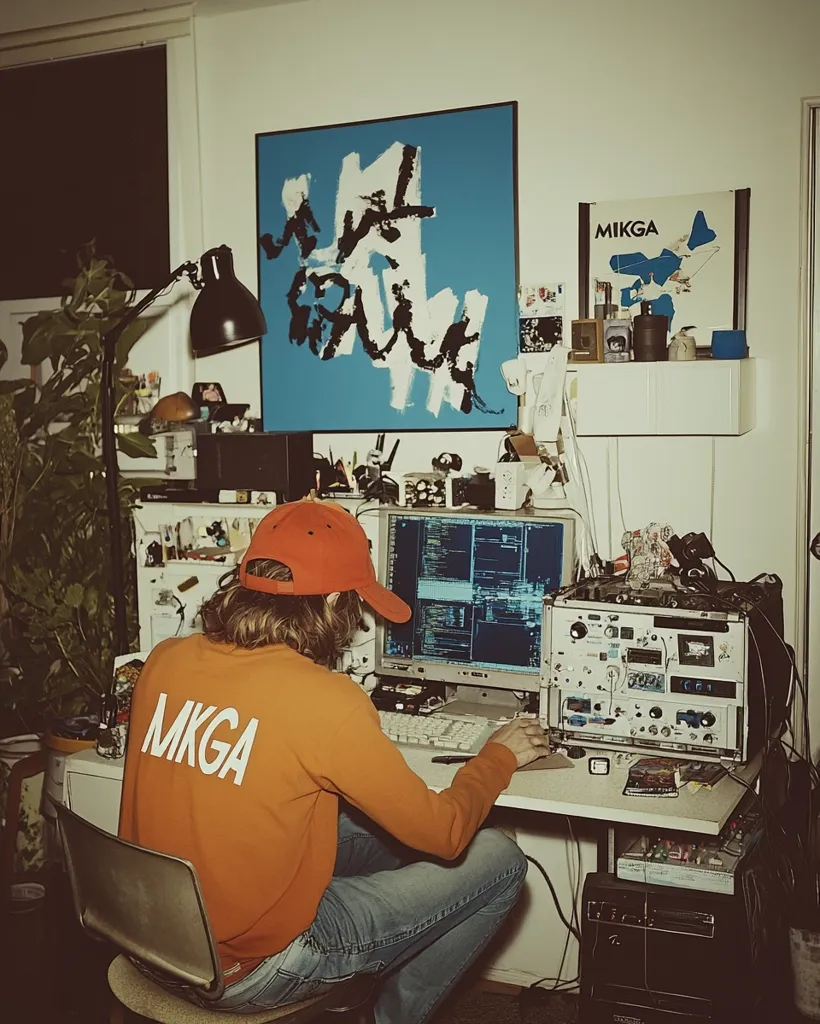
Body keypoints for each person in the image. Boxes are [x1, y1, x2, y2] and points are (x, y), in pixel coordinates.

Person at [119, 499, 550, 1023]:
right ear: (331, 601)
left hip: (150, 940)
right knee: (498, 858)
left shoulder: (165, 659)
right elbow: (446, 833)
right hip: (248, 970)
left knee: (362, 829)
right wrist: (496, 758)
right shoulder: (327, 701)